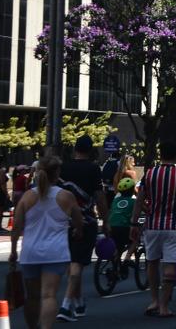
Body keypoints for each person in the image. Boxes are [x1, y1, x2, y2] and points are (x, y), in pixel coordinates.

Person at [10, 155, 85, 329]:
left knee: (32, 297)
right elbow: (78, 220)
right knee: (49, 295)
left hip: (30, 252)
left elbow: (16, 228)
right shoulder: (66, 196)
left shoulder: (27, 197)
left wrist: (13, 251)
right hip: (56, 252)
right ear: (57, 172)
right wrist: (78, 231)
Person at [132, 140, 176, 319]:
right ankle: (164, 306)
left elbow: (140, 199)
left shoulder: (150, 174)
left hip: (152, 225)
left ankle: (153, 299)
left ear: (160, 154)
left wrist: (134, 223)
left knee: (152, 262)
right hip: (174, 226)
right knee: (170, 265)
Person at [57, 135, 108, 321]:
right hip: (85, 221)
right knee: (77, 263)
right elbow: (100, 197)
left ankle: (78, 303)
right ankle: (65, 306)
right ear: (91, 150)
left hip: (63, 222)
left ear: (75, 149)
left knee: (72, 263)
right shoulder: (94, 168)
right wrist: (106, 221)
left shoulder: (63, 167)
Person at [107, 177, 137, 275]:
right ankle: (127, 258)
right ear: (133, 189)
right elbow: (143, 210)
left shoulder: (115, 201)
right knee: (135, 240)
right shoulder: (134, 201)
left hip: (112, 226)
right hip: (125, 227)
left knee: (118, 245)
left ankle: (115, 267)